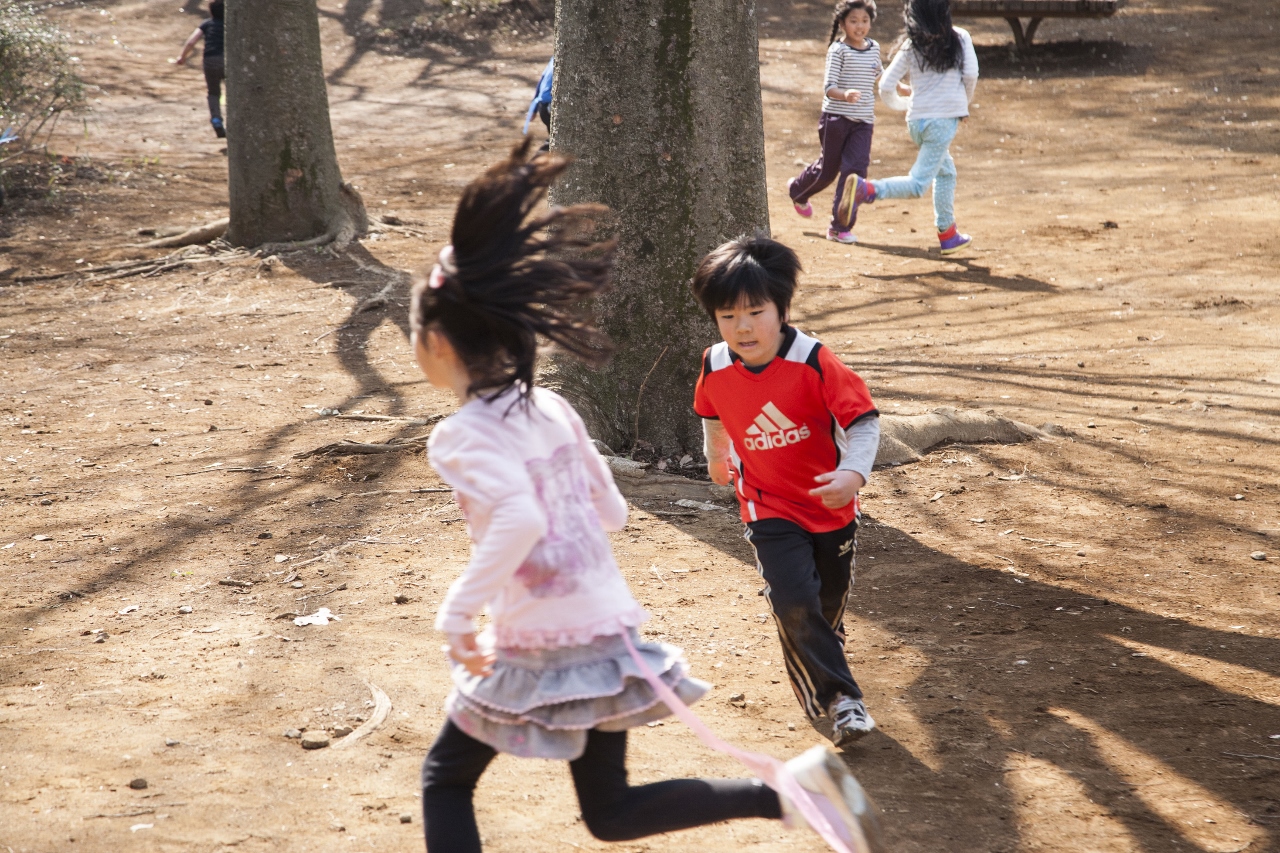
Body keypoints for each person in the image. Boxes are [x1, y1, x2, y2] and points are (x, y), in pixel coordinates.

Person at [413, 141, 882, 853]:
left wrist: (457, 611)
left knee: (447, 780)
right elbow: (612, 511)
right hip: (608, 636)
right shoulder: (555, 412)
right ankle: (789, 791)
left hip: (534, 642)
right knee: (608, 810)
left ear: (441, 345)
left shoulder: (459, 436)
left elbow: (518, 515)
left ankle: (794, 775)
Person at [691, 236, 881, 749]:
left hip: (830, 506)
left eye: (756, 311)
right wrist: (716, 459)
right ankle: (843, 700)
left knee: (826, 602)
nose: (743, 327)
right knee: (794, 600)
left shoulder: (814, 361)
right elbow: (711, 414)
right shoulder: (715, 364)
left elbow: (863, 423)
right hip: (766, 504)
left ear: (782, 310)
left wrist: (853, 475)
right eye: (728, 316)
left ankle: (821, 642)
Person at [837, 0, 978, 255]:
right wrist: (962, 105)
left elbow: (885, 85)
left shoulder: (911, 45)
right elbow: (971, 75)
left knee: (945, 172)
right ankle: (867, 189)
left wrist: (904, 104)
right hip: (942, 122)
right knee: (917, 184)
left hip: (917, 122)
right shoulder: (960, 37)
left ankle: (948, 234)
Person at [787, 1, 883, 245]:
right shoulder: (837, 51)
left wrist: (898, 86)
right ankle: (798, 191)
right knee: (828, 170)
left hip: (863, 121)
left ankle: (840, 227)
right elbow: (829, 88)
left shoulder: (874, 48)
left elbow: (880, 75)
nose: (859, 26)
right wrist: (845, 94)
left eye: (864, 21)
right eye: (853, 21)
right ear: (842, 24)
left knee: (856, 172)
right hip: (836, 119)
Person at [173, 0, 226, 138]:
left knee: (214, 93)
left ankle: (216, 120)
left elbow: (191, 41)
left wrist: (182, 57)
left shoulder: (207, 24)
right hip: (229, 61)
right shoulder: (231, 25)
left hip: (210, 60)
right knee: (233, 93)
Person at [522, 57, 554, 151]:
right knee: (556, 144)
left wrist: (534, 109)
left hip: (542, 106)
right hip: (550, 107)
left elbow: (541, 83)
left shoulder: (554, 58)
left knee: (553, 141)